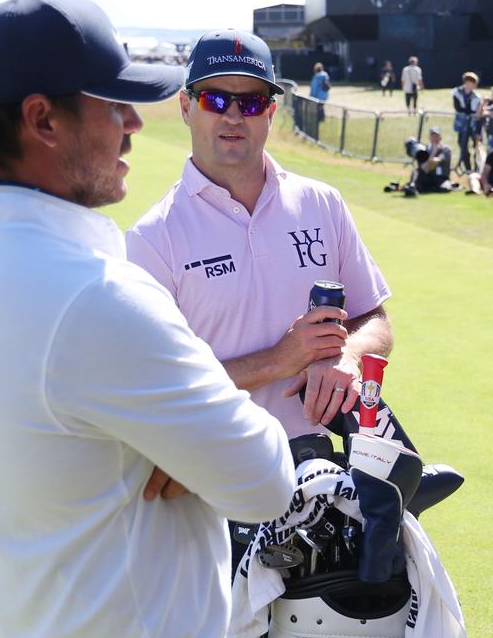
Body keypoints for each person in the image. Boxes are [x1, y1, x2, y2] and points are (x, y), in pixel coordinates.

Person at [0, 0, 295, 638]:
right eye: (111, 103)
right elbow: (265, 480)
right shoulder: (95, 295)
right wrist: (194, 431)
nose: (133, 123)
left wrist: (172, 435)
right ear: (43, 120)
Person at [128, 28, 393, 441]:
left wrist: (350, 356)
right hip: (218, 485)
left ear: (269, 114)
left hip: (327, 473)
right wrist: (278, 360)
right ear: (185, 106)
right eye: (215, 99)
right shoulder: (153, 237)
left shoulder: (322, 202)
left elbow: (374, 318)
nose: (234, 116)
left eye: (251, 102)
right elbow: (153, 389)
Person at [409, 126, 455, 193]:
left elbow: (436, 161)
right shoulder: (425, 149)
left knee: (445, 188)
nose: (435, 138)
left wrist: (434, 153)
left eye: (437, 136)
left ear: (440, 137)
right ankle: (412, 186)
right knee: (416, 172)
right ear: (429, 137)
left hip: (441, 178)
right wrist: (433, 152)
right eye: (433, 136)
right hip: (427, 177)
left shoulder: (446, 149)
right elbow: (423, 168)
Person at [452, 71, 482, 172]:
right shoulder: (457, 93)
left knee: (477, 147)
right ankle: (468, 169)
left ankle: (477, 169)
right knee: (463, 146)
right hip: (462, 125)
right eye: (471, 82)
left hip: (473, 126)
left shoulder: (477, 97)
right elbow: (459, 108)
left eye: (474, 83)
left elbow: (475, 112)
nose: (473, 85)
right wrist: (468, 113)